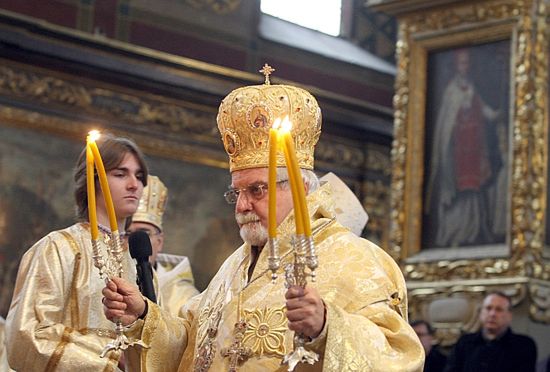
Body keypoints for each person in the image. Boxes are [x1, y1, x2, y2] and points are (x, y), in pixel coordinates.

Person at [102, 72, 425, 371]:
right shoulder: (235, 266)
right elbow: (190, 344)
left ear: (299, 186)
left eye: (257, 189)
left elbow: (400, 356)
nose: (243, 205)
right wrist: (144, 316)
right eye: (236, 193)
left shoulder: (356, 260)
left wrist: (328, 326)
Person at [5, 134, 148, 371]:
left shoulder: (139, 260)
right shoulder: (59, 247)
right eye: (120, 174)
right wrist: (109, 360)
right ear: (93, 181)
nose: (134, 184)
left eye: (139, 176)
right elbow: (27, 335)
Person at [425, 48, 504, 248]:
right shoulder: (451, 91)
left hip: (474, 150)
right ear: (456, 66)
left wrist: (495, 115)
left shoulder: (471, 87)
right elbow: (446, 123)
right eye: (461, 63)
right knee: (459, 190)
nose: (465, 67)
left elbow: (482, 108)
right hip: (458, 152)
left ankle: (473, 230)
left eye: (467, 63)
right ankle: (455, 232)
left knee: (473, 189)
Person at [126, 175, 199, 316]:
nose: (134, 242)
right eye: (127, 234)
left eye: (144, 234)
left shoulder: (184, 297)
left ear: (159, 242)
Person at [444, 291, 537, 372]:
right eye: (488, 308)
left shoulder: (523, 345)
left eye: (499, 309)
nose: (492, 314)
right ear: (481, 313)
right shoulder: (464, 343)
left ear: (509, 316)